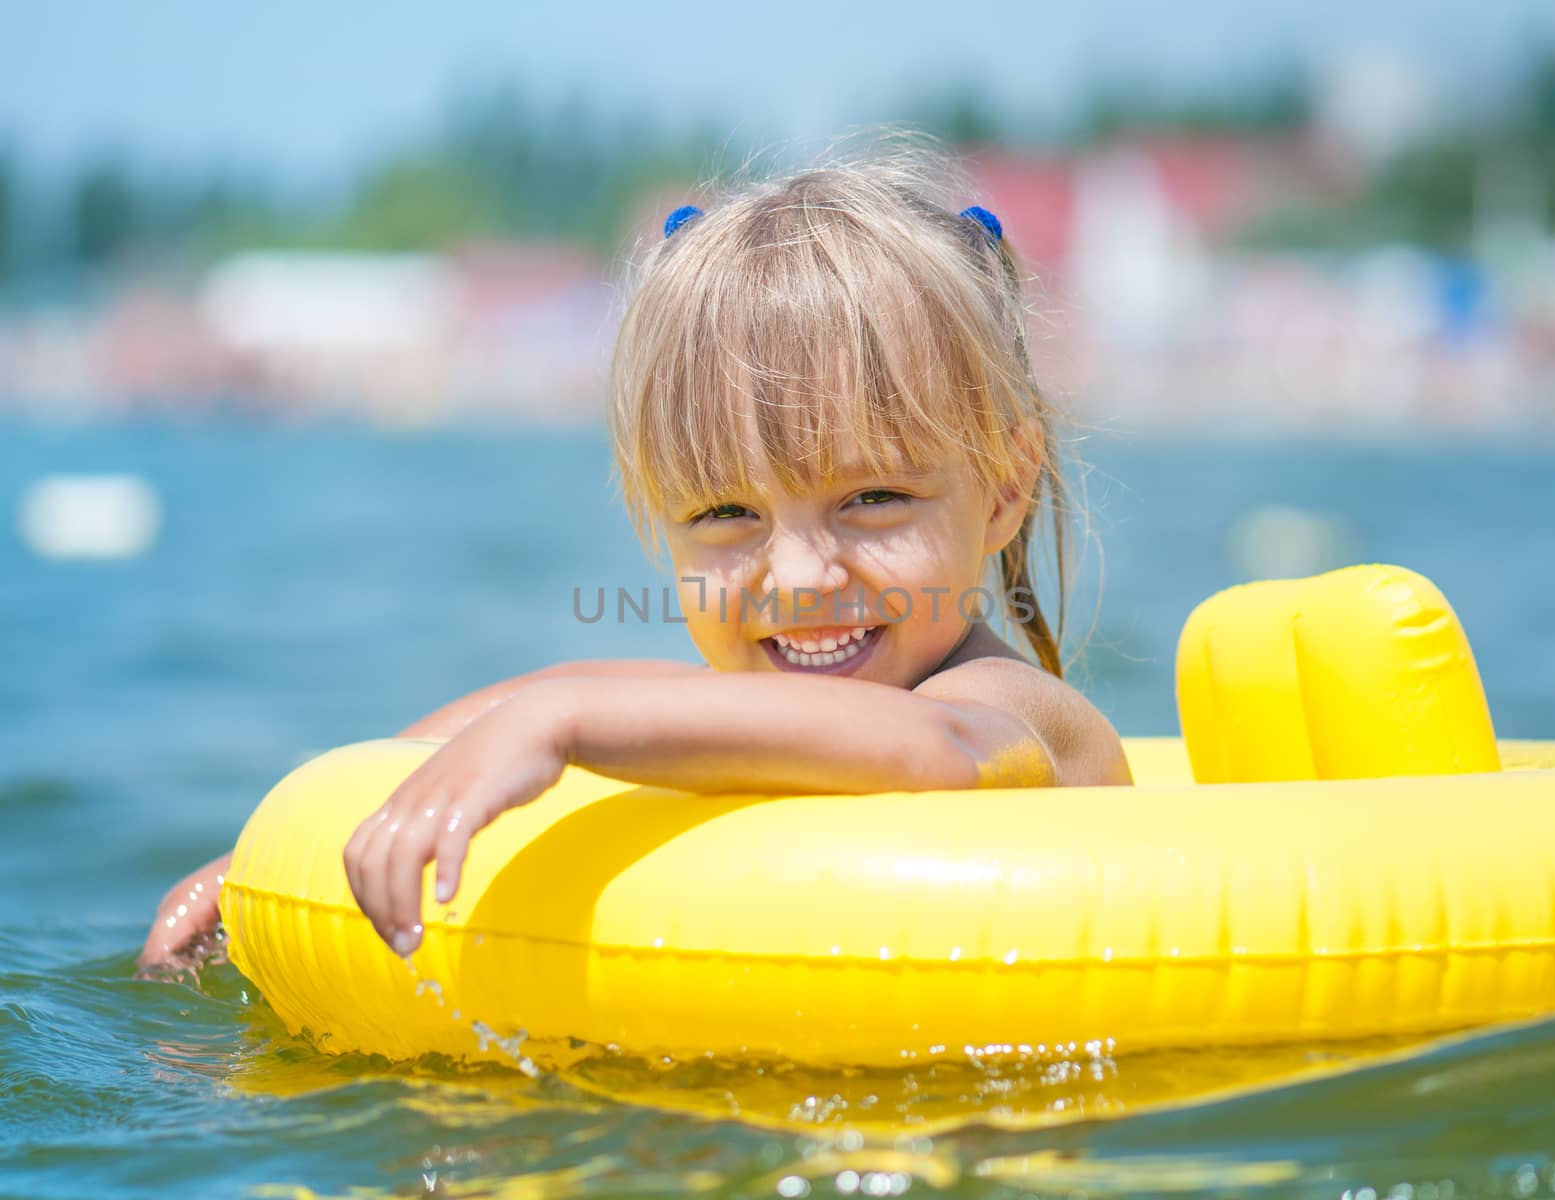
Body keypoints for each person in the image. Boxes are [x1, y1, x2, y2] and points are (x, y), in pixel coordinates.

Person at [139, 146, 1131, 972]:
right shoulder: (766, 698)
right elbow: (561, 684)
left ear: (1003, 487)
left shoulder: (1011, 708)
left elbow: (938, 757)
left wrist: (562, 725)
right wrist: (268, 862)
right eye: (726, 511)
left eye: (871, 500)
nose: (796, 576)